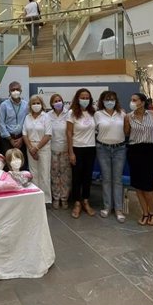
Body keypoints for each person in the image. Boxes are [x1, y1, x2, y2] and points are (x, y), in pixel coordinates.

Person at [124, 92, 153, 226]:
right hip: (134, 151)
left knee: (148, 186)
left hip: (150, 151)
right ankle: (144, 213)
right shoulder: (128, 117)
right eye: (131, 100)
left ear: (142, 102)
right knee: (138, 186)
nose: (132, 102)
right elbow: (127, 133)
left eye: (135, 100)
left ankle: (152, 212)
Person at [94, 90, 126, 222]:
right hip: (103, 149)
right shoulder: (97, 114)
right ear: (102, 101)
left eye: (112, 99)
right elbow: (94, 131)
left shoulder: (122, 114)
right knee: (106, 179)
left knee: (117, 179)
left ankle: (118, 209)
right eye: (107, 99)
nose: (109, 102)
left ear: (116, 101)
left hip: (119, 149)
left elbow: (127, 129)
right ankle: (107, 207)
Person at [67, 88, 97, 218]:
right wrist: (71, 152)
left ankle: (86, 201)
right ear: (77, 98)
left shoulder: (93, 112)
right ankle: (77, 203)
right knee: (76, 177)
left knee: (87, 177)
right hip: (77, 148)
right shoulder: (72, 113)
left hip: (90, 148)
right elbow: (68, 133)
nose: (85, 100)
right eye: (82, 97)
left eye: (87, 98)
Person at [22, 95, 52, 203]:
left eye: (38, 103)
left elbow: (48, 135)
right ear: (30, 105)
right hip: (30, 147)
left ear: (42, 104)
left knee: (44, 174)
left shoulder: (46, 117)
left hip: (43, 148)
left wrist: (36, 148)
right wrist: (31, 148)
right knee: (33, 173)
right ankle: (35, 198)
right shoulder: (27, 117)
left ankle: (46, 200)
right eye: (33, 103)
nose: (36, 105)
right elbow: (24, 134)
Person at [0, 81, 29, 169]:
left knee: (21, 163)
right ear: (9, 91)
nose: (15, 91)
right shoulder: (4, 105)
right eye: (13, 90)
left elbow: (27, 122)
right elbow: (1, 123)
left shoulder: (26, 105)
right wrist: (10, 139)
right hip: (7, 139)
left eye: (17, 89)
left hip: (21, 139)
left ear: (21, 90)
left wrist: (22, 138)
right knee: (9, 164)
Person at [47, 93, 71, 209]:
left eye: (59, 100)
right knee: (55, 175)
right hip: (52, 150)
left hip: (66, 150)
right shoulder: (48, 115)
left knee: (66, 176)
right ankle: (56, 198)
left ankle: (64, 198)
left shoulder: (69, 113)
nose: (58, 103)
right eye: (55, 101)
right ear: (51, 104)